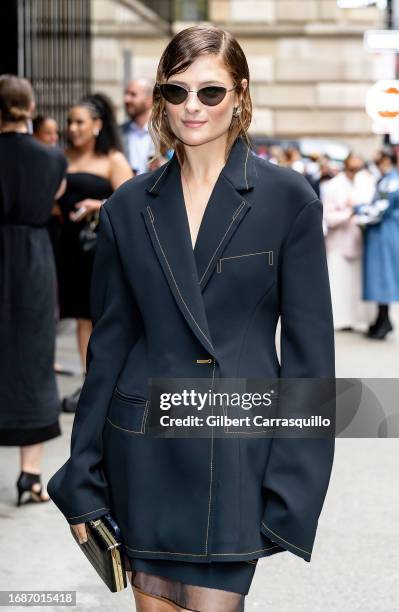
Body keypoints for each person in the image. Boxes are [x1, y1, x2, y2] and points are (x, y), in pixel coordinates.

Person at [47, 24, 335, 612]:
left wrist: (294, 487)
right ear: (160, 99)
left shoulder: (288, 199)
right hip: (143, 453)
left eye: (211, 91)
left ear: (240, 94)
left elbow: (311, 360)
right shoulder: (130, 205)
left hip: (235, 452)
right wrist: (82, 478)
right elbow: (108, 348)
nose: (192, 107)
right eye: (176, 92)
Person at [0, 75, 67, 504]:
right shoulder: (52, 159)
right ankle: (30, 475)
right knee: (34, 356)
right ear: (31, 107)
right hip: (34, 258)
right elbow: (56, 196)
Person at [56, 93, 133, 412]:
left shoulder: (112, 159)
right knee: (80, 317)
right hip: (68, 246)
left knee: (98, 314)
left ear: (97, 126)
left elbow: (131, 201)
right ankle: (90, 381)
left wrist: (97, 205)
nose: (73, 128)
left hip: (99, 247)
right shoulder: (63, 156)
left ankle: (107, 380)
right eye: (70, 122)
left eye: (79, 122)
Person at [320, 153, 376, 331]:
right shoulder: (332, 186)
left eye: (357, 168)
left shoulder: (367, 183)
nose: (354, 172)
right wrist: (349, 213)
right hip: (338, 243)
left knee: (355, 285)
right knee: (338, 283)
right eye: (351, 168)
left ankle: (355, 318)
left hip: (359, 242)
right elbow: (327, 216)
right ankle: (339, 319)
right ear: (345, 167)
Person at [362, 148, 399, 339]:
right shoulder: (388, 179)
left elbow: (379, 209)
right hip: (383, 233)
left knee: (384, 276)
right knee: (380, 276)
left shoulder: (391, 181)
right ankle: (382, 319)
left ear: (387, 160)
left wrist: (360, 213)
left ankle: (384, 321)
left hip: (384, 233)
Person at [121, 77, 157, 174]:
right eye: (126, 94)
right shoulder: (118, 132)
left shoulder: (166, 133)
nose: (126, 99)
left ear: (149, 100)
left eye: (133, 95)